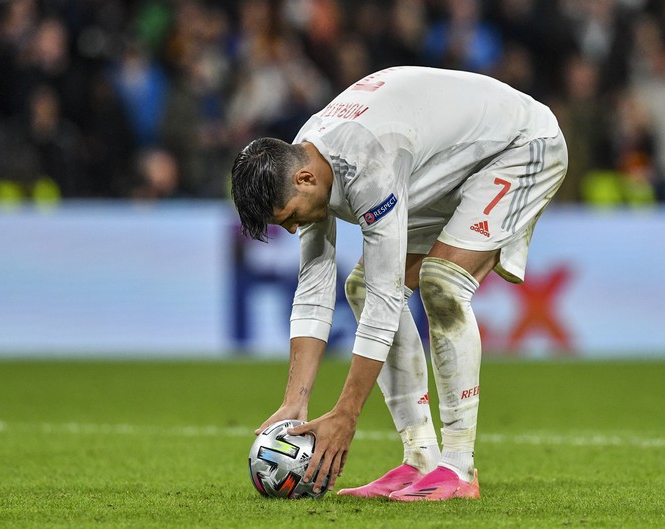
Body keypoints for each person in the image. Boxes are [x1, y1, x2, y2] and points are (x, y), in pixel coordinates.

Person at [231, 66, 567, 501]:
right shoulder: (304, 158)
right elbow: (315, 283)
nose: (294, 229)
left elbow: (390, 298)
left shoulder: (366, 160)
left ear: (305, 179)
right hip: (447, 163)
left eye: (291, 216)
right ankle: (420, 458)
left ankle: (459, 468)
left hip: (521, 145)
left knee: (442, 283)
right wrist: (296, 400)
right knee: (363, 287)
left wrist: (346, 415)